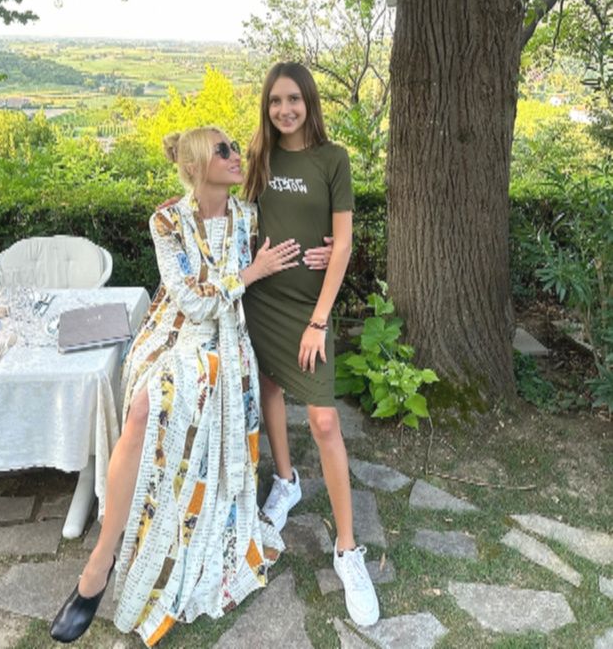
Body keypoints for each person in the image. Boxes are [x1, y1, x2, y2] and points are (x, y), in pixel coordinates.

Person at [50, 126, 301, 646]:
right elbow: (188, 300)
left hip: (225, 338)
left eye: (234, 148)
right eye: (222, 151)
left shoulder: (249, 218)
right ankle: (100, 562)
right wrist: (249, 274)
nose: (235, 156)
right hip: (174, 332)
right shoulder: (166, 221)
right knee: (144, 410)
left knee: (172, 407)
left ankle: (159, 533)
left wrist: (319, 255)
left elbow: (300, 236)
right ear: (194, 166)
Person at [242, 61, 380, 627]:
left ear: (309, 102)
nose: (285, 110)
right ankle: (287, 481)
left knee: (323, 421)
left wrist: (319, 321)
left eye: (294, 99)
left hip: (309, 310)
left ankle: (347, 551)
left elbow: (341, 244)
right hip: (264, 301)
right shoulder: (259, 156)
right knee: (270, 388)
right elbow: (230, 213)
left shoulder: (333, 159)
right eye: (275, 101)